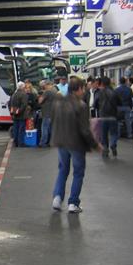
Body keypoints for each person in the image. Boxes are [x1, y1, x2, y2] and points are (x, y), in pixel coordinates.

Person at [50, 77, 100, 213]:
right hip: (76, 144)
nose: (84, 91)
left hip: (61, 142)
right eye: (83, 88)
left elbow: (53, 121)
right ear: (78, 89)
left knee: (63, 170)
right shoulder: (81, 106)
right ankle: (73, 203)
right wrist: (95, 145)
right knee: (78, 173)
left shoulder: (58, 104)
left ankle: (57, 198)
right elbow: (85, 130)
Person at [93, 76, 122, 158]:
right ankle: (113, 144)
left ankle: (105, 148)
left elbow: (95, 104)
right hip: (113, 116)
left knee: (104, 134)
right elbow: (120, 102)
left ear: (101, 83)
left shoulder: (99, 93)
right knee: (114, 133)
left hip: (102, 116)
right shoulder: (114, 92)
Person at [38, 80, 57, 147]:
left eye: (45, 85)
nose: (44, 86)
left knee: (44, 128)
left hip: (46, 113)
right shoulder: (55, 92)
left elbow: (40, 101)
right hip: (53, 113)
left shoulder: (47, 92)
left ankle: (43, 142)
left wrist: (40, 97)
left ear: (48, 85)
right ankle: (51, 142)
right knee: (50, 129)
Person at [9, 82, 27, 147]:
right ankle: (21, 143)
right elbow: (24, 105)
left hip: (14, 115)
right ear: (22, 87)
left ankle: (15, 142)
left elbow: (10, 104)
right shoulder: (23, 94)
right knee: (21, 130)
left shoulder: (14, 94)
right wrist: (19, 111)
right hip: (21, 115)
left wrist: (13, 112)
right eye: (24, 87)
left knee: (16, 129)